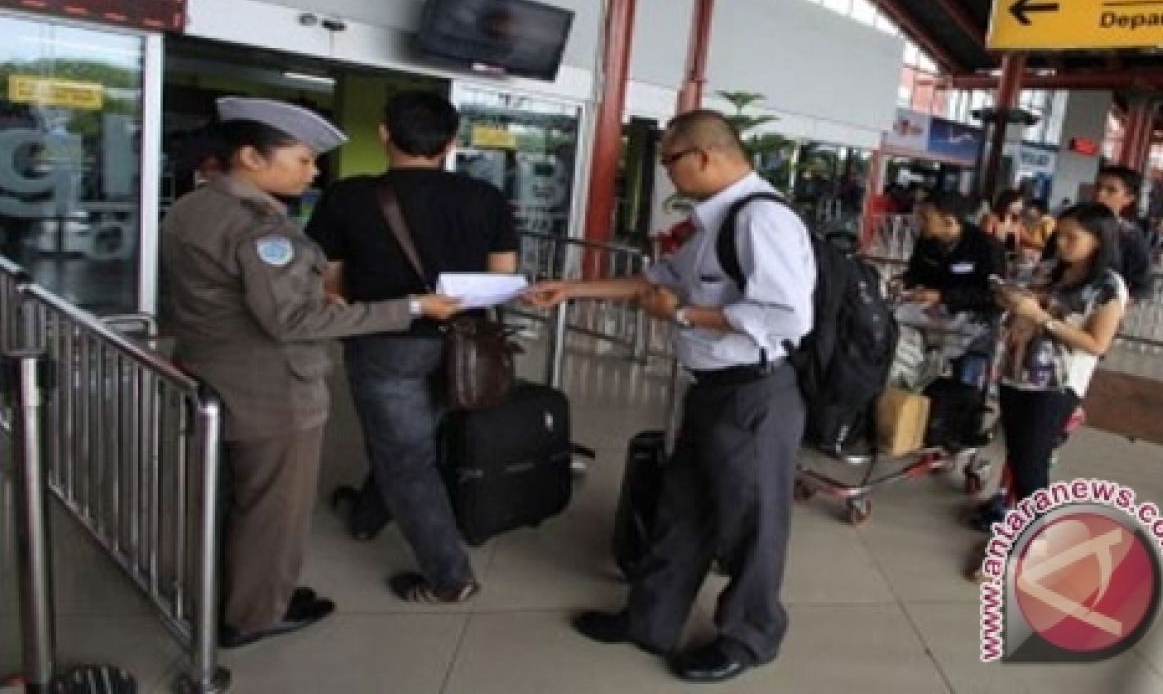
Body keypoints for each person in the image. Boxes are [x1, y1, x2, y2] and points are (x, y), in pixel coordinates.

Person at [524, 110, 815, 683]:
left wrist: (683, 314)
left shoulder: (762, 220)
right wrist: (572, 291)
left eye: (669, 162)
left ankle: (751, 636)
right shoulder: (718, 221)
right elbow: (656, 283)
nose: (667, 175)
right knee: (681, 508)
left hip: (754, 396)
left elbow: (786, 316)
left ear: (703, 157)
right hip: (712, 393)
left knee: (753, 522)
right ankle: (649, 619)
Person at [160, 98, 461, 648]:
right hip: (272, 390)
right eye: (302, 159)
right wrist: (413, 308)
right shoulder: (258, 230)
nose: (314, 171)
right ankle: (255, 614)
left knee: (239, 499)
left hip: (211, 373)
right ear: (251, 157)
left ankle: (239, 592)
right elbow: (293, 319)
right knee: (273, 509)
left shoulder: (192, 207)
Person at [305, 91, 518, 604]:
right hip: (462, 347)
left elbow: (328, 284)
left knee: (407, 458)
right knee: (412, 439)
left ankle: (450, 578)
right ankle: (365, 515)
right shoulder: (485, 198)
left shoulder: (347, 197)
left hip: (385, 343)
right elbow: (503, 278)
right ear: (451, 144)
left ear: (383, 133)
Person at [992, 202, 1128, 513]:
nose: (1062, 243)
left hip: (1056, 384)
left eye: (1072, 237)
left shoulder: (1108, 286)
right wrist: (1012, 300)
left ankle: (1033, 541)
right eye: (1060, 235)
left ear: (1098, 240)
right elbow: (1027, 306)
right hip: (1016, 371)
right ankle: (1018, 528)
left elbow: (1096, 344)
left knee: (1031, 466)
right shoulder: (1048, 269)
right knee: (1016, 456)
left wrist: (1042, 318)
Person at [1043, 165, 1153, 301]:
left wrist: (1105, 308)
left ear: (1129, 198)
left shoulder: (1131, 237)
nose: (1100, 194)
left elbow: (1142, 287)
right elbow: (1047, 259)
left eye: (1111, 190)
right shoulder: (1071, 222)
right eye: (1097, 187)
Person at [899, 190, 1006, 314]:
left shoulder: (987, 247)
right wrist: (903, 281)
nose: (919, 222)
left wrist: (942, 296)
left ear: (948, 222)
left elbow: (993, 294)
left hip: (974, 319)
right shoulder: (926, 240)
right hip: (931, 313)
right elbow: (917, 272)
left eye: (925, 218)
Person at [979, 189, 1024, 257]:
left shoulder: (1017, 221)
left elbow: (1025, 239)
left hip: (1010, 258)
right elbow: (985, 242)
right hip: (992, 258)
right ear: (1006, 202)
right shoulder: (991, 218)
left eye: (1021, 204)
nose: (1021, 207)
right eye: (1018, 203)